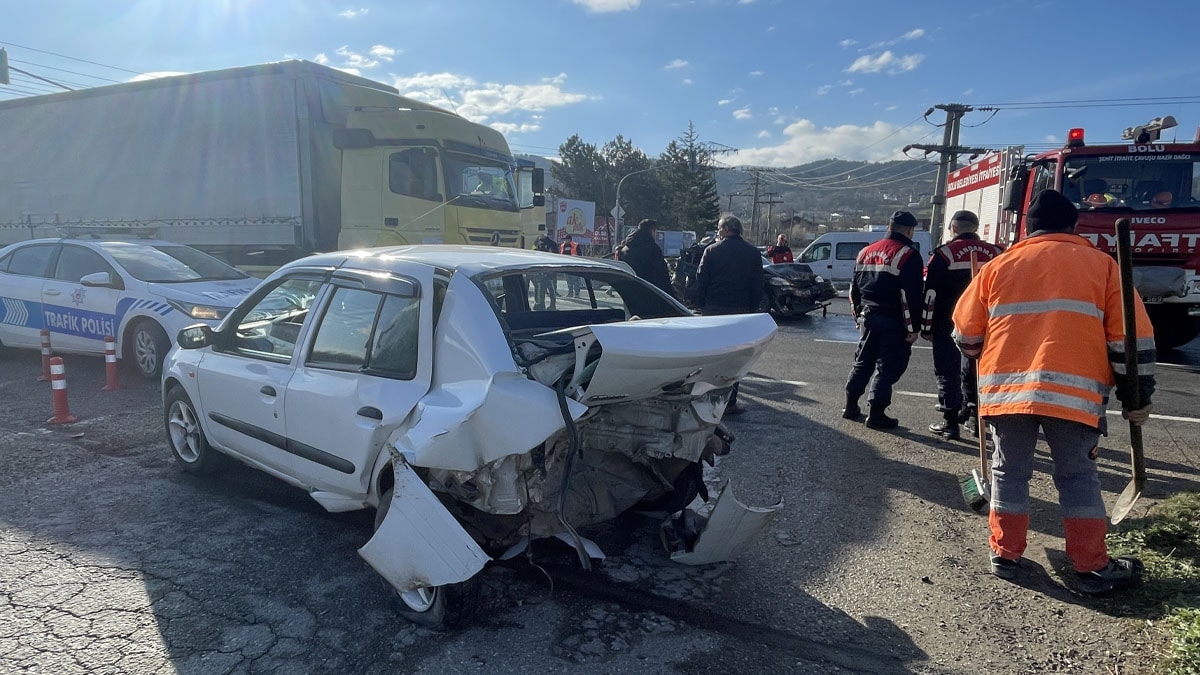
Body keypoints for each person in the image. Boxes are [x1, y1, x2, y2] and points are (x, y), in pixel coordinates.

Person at [953, 189, 1155, 595]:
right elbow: (1130, 342)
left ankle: (1004, 554)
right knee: (1078, 476)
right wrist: (1137, 398)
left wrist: (976, 361)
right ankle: (1090, 567)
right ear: (1074, 226)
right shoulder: (1104, 267)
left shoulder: (997, 267)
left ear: (1029, 227)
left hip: (1006, 394)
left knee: (1008, 472)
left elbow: (965, 335)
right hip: (1074, 397)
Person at [920, 210, 1004, 440]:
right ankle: (978, 419)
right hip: (989, 324)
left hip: (949, 322)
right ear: (975, 227)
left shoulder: (944, 254)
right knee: (980, 371)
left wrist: (926, 327)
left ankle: (950, 423)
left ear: (953, 228)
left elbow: (930, 296)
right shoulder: (997, 253)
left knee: (947, 371)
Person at [842, 210, 924, 430]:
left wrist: (857, 314)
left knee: (862, 361)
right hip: (893, 320)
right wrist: (913, 327)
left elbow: (854, 289)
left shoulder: (865, 252)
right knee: (887, 367)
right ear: (909, 230)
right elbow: (911, 295)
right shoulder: (908, 254)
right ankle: (876, 414)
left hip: (868, 317)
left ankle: (850, 406)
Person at [696, 215, 764, 416]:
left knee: (712, 355)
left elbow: (701, 281)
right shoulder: (752, 253)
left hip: (714, 311)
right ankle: (730, 401)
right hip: (740, 312)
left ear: (725, 230)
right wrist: (751, 310)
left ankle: (706, 397)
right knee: (735, 358)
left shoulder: (711, 251)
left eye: (719, 228)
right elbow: (757, 285)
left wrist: (703, 306)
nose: (717, 232)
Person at [617, 219, 673, 296]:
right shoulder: (652, 248)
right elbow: (661, 275)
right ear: (651, 231)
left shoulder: (626, 247)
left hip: (628, 292)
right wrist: (672, 296)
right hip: (649, 291)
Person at [532, 232, 558, 310]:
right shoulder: (537, 242)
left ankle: (550, 305)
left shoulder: (551, 243)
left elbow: (555, 256)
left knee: (550, 288)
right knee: (541, 288)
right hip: (541, 268)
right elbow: (533, 252)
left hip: (548, 269)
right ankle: (540, 304)